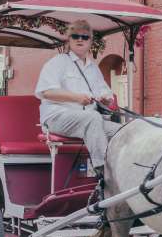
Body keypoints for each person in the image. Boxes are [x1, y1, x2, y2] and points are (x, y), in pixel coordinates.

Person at [35, 20, 120, 177]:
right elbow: (45, 92)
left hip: (89, 120)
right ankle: (103, 171)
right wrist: (76, 98)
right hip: (57, 117)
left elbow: (106, 94)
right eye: (75, 36)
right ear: (69, 40)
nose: (80, 39)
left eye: (85, 37)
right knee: (92, 117)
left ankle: (127, 171)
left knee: (122, 131)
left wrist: (106, 100)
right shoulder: (57, 62)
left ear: (91, 42)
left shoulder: (93, 68)